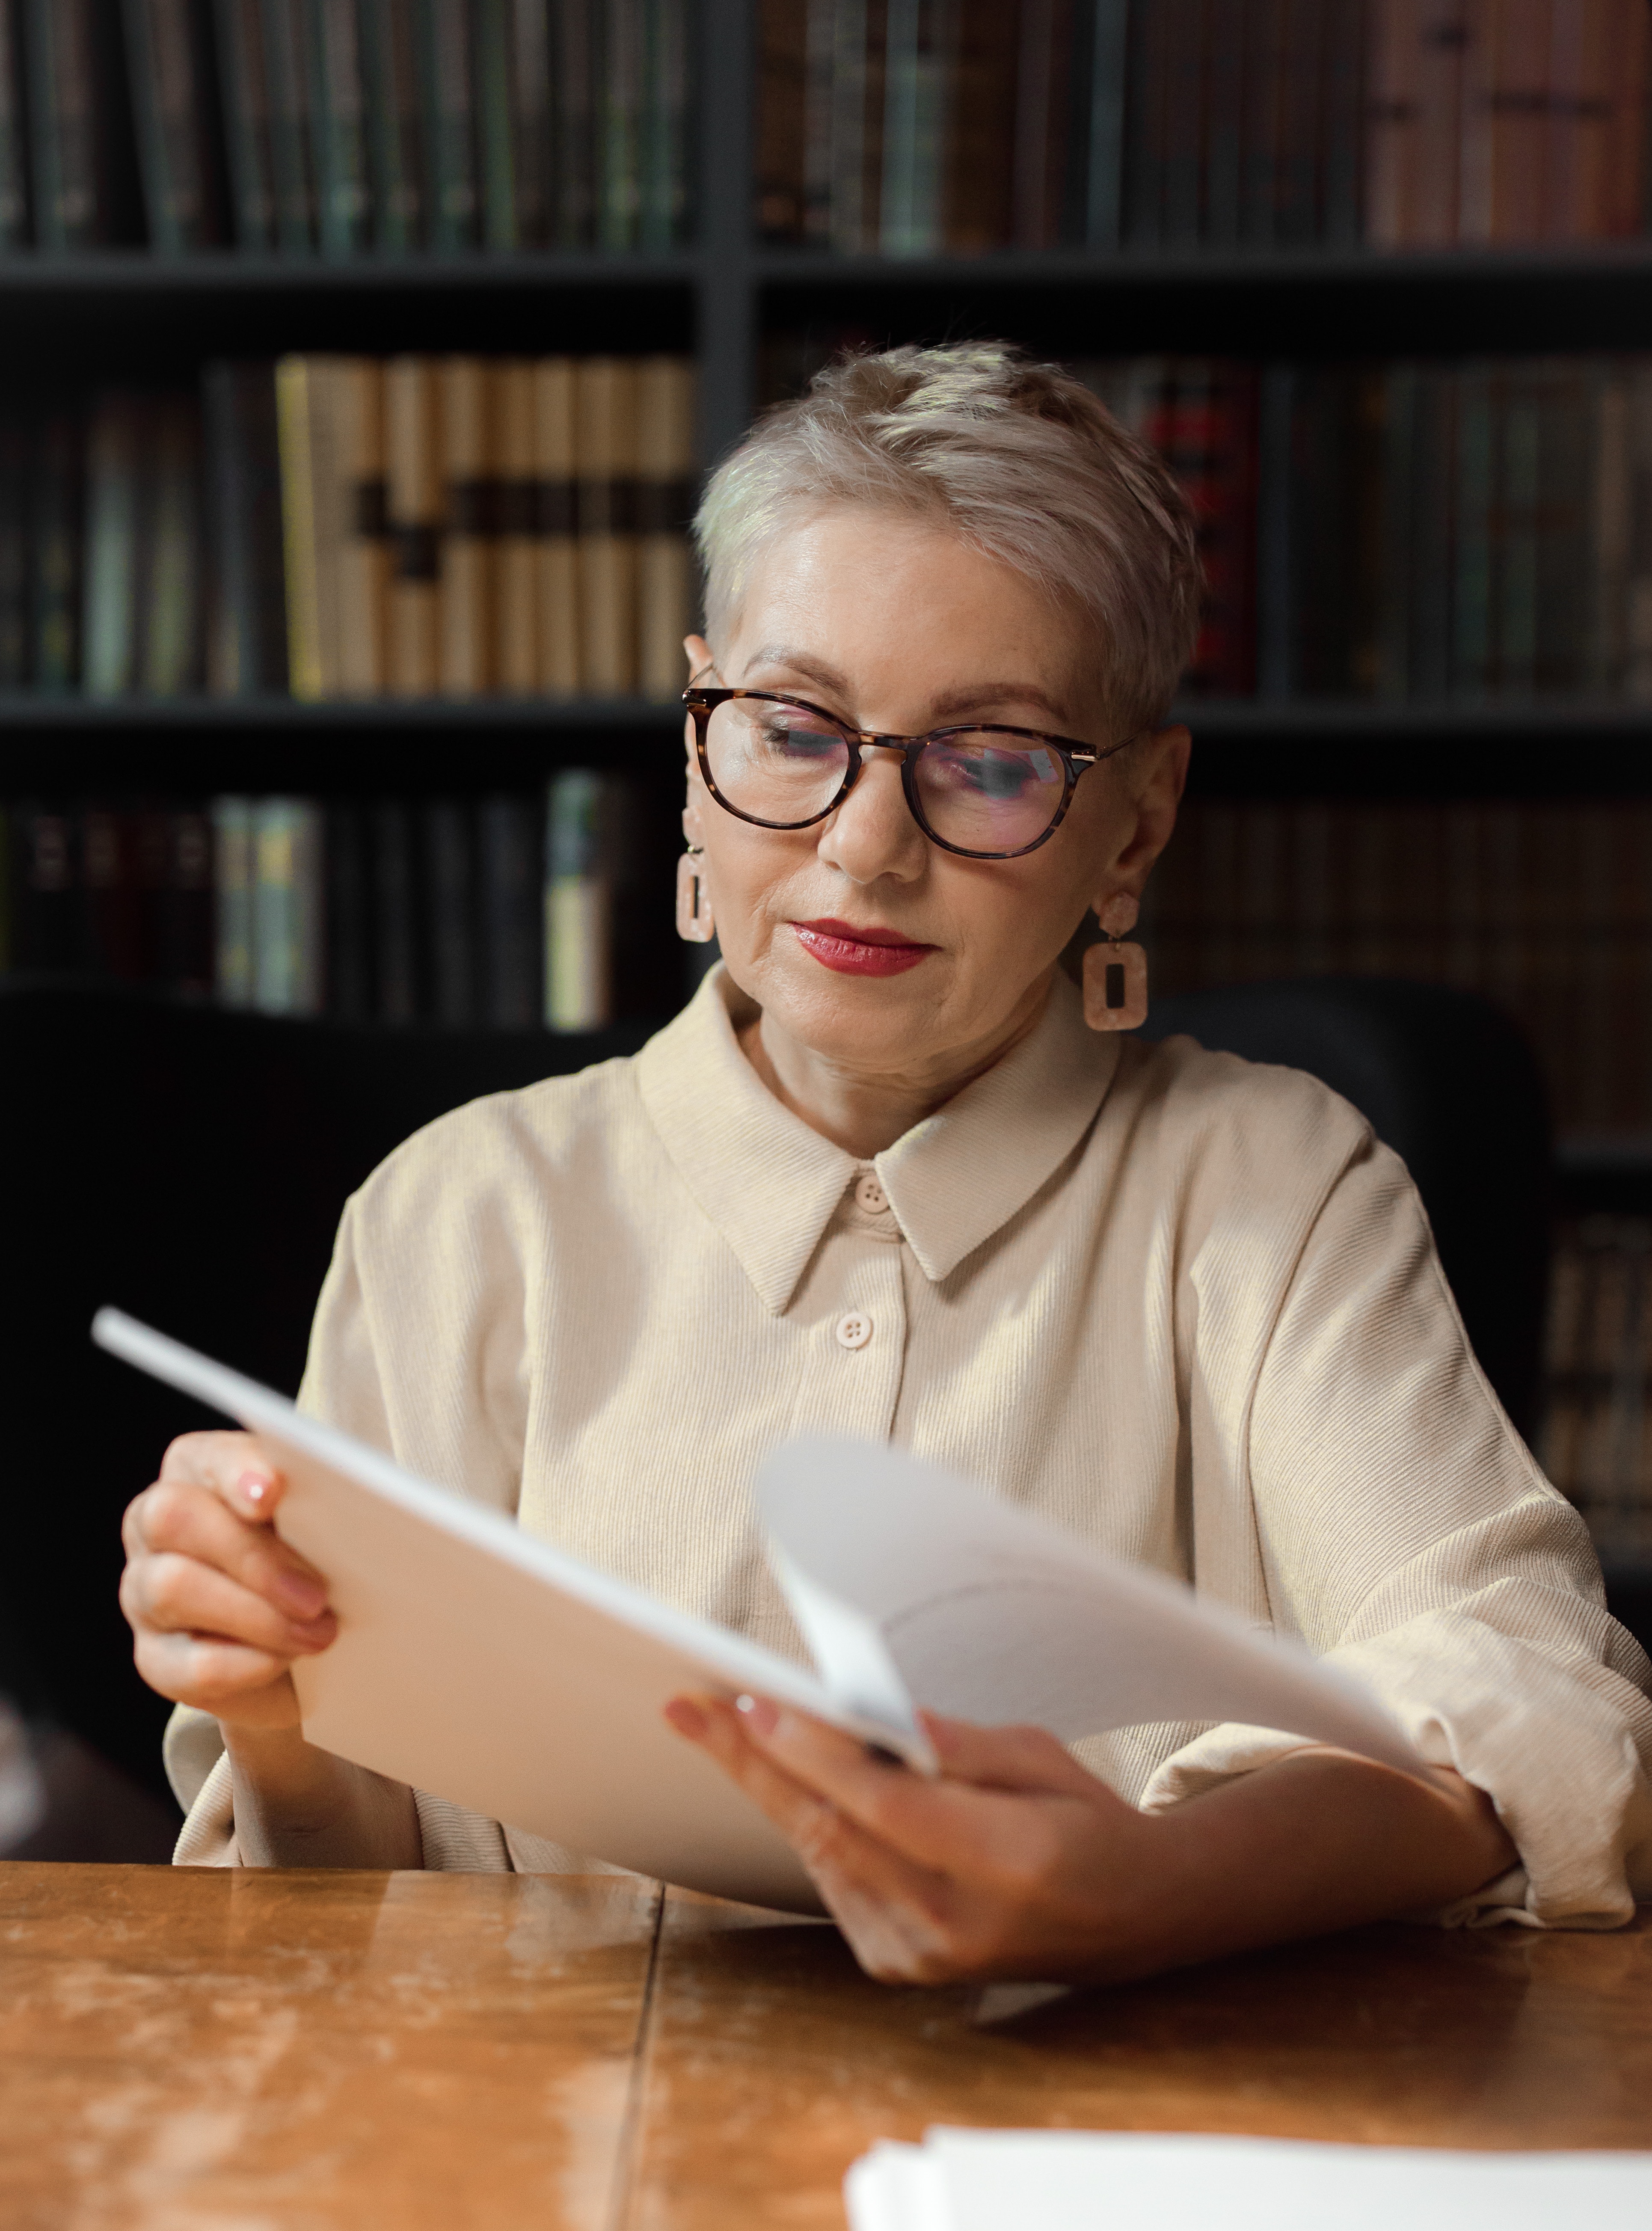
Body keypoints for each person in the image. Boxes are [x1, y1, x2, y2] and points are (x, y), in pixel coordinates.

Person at [121, 343, 1652, 1986]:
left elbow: (1549, 1709)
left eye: (989, 761)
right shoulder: (456, 1216)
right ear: (697, 729)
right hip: (560, 2167)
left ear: (1136, 820)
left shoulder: (1270, 1189)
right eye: (792, 729)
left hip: (1109, 2149)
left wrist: (1148, 1881)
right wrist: (279, 1719)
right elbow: (332, 1929)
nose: (864, 844)